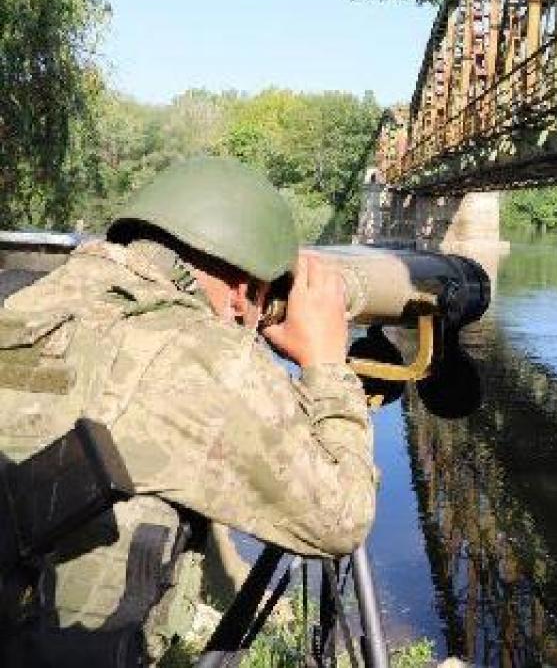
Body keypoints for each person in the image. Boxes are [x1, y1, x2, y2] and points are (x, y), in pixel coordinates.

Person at [0, 157, 378, 666]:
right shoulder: (208, 357)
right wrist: (327, 363)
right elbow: (340, 519)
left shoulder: (26, 297)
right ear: (244, 291)